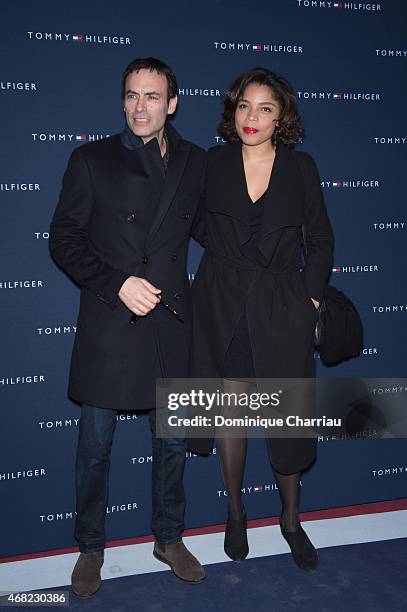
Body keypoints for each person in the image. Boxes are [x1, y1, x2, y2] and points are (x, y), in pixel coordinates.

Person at [49, 57, 206, 598]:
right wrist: (117, 283)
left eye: (152, 96)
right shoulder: (91, 158)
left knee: (172, 443)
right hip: (112, 321)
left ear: (173, 102)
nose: (140, 107)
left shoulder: (195, 162)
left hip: (169, 322)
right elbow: (64, 240)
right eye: (132, 96)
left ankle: (169, 537)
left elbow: (219, 227)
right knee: (95, 446)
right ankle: (90, 547)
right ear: (123, 101)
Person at [189, 68, 334, 572]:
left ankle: (291, 521)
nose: (252, 117)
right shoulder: (212, 163)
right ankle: (235, 511)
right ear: (233, 112)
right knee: (231, 409)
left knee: (285, 414)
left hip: (280, 303)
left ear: (281, 117)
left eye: (265, 108)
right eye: (244, 106)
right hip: (223, 301)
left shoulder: (301, 168)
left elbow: (319, 239)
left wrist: (310, 301)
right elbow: (196, 223)